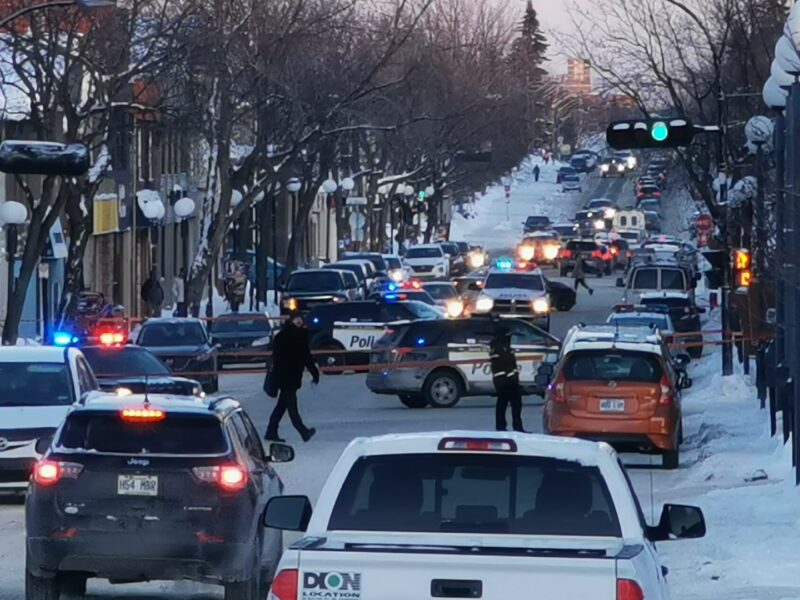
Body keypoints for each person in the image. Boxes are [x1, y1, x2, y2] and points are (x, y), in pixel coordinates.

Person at [264, 311, 320, 442]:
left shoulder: (284, 336)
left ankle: (271, 432)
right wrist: (314, 372)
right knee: (292, 407)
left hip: (286, 377)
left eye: (300, 319)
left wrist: (313, 371)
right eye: (297, 319)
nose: (299, 321)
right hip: (288, 378)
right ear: (292, 320)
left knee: (281, 407)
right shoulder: (295, 336)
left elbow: (305, 357)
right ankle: (303, 431)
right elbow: (306, 357)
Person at [489, 324, 525, 432]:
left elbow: (512, 365)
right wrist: (510, 377)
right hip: (503, 382)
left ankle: (517, 427)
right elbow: (503, 365)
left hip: (511, 381)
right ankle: (501, 427)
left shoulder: (506, 348)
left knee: (516, 405)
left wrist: (515, 378)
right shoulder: (497, 348)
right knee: (503, 404)